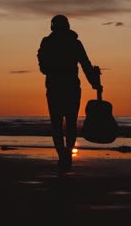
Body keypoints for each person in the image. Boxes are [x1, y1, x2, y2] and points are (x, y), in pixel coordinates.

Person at [37, 14, 101, 173]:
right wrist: (95, 83)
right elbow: (86, 65)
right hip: (70, 88)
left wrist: (95, 82)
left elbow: (43, 68)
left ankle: (63, 156)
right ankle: (67, 157)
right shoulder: (74, 43)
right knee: (70, 124)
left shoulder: (48, 43)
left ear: (53, 26)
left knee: (57, 125)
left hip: (55, 88)